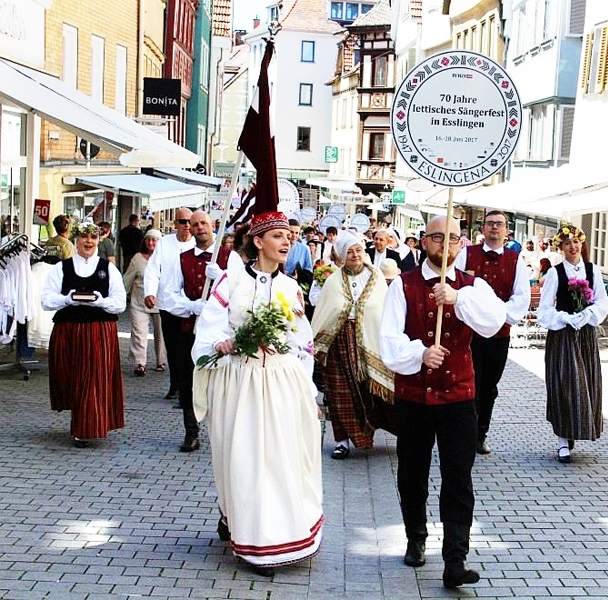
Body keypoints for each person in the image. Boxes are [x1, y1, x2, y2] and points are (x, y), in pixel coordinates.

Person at [192, 211, 322, 577]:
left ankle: (274, 538)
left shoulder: (291, 288)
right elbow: (208, 331)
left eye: (289, 237)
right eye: (278, 236)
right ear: (258, 241)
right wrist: (225, 344)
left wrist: (307, 391)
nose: (287, 242)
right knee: (245, 459)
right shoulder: (231, 280)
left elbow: (303, 342)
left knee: (279, 459)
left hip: (281, 383)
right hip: (242, 381)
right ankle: (246, 532)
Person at [381, 215, 505, 590]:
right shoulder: (404, 285)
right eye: (437, 238)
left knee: (457, 478)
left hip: (459, 396)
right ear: (423, 241)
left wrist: (458, 298)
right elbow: (388, 340)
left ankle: (455, 558)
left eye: (452, 239)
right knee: (413, 472)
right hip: (415, 397)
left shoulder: (472, 284)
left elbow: (493, 322)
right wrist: (419, 354)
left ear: (461, 243)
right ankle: (416, 536)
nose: (445, 245)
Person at [40, 220, 127, 448]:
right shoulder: (62, 267)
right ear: (76, 240)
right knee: (70, 376)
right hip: (68, 330)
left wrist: (101, 302)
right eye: (84, 237)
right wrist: (66, 299)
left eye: (93, 237)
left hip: (99, 331)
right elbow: (46, 300)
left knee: (93, 380)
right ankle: (81, 421)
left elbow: (120, 303)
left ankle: (85, 428)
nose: (89, 241)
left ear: (99, 240)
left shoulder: (108, 269)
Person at [311, 230, 395, 460]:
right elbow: (325, 310)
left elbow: (383, 310)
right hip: (338, 343)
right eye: (349, 252)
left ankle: (376, 431)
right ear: (341, 257)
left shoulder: (376, 277)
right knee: (339, 394)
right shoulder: (332, 280)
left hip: (370, 342)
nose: (355, 255)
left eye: (358, 250)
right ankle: (342, 442)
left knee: (371, 393)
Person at [454, 210, 530, 455]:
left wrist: (496, 317)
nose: (494, 228)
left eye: (499, 224)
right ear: (482, 229)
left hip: (498, 334)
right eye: (490, 224)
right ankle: (462, 433)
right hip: (467, 333)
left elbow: (521, 297)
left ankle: (480, 434)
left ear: (507, 230)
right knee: (465, 382)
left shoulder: (516, 259)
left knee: (489, 386)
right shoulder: (466, 254)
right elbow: (455, 285)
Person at [537, 225, 608, 463]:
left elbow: (603, 302)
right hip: (563, 336)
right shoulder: (555, 273)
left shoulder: (592, 270)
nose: (572, 247)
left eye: (576, 242)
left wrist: (588, 315)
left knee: (586, 384)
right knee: (565, 386)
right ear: (561, 247)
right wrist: (564, 318)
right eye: (567, 243)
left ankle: (576, 431)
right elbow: (544, 309)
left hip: (586, 336)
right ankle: (562, 441)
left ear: (582, 244)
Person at [167, 211, 227, 453]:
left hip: (220, 332)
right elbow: (169, 294)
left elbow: (241, 290)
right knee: (188, 381)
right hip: (190, 329)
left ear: (212, 225)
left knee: (220, 381)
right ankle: (191, 432)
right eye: (195, 224)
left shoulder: (227, 256)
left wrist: (223, 276)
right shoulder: (182, 259)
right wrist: (190, 305)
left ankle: (222, 433)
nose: (200, 227)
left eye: (204, 223)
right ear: (189, 229)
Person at [143, 207, 196, 400]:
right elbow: (153, 271)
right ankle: (175, 383)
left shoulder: (200, 245)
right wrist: (150, 292)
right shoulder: (164, 244)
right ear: (175, 224)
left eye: (191, 222)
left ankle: (188, 386)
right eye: (183, 222)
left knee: (189, 347)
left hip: (191, 306)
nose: (187, 226)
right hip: (168, 305)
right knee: (172, 347)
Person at [123, 229, 166, 376]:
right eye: (148, 239)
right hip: (139, 302)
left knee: (161, 334)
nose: (151, 242)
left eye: (154, 240)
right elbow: (127, 279)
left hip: (160, 303)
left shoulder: (166, 258)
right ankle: (140, 363)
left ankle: (161, 361)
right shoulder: (137, 258)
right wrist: (121, 295)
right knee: (139, 333)